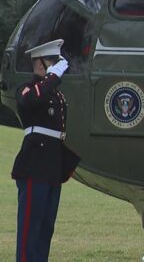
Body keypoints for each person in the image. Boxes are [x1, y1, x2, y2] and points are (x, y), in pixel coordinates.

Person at [12, 39, 80, 262]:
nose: (57, 66)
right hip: (34, 165)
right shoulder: (27, 88)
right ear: (40, 64)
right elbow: (30, 102)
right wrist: (51, 77)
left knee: (45, 228)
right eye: (52, 61)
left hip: (51, 166)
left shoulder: (55, 94)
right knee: (30, 229)